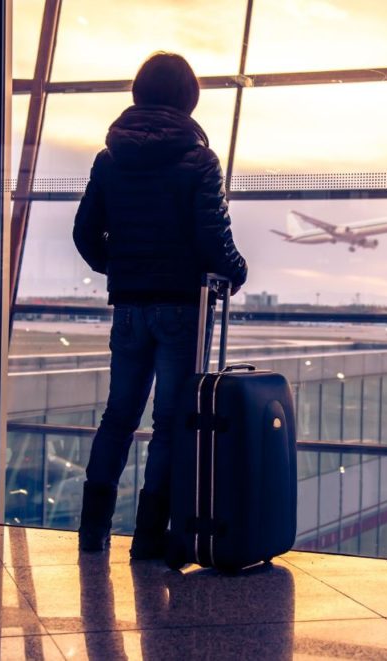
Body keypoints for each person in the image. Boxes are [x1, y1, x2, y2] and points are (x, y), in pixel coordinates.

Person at [73, 52, 248, 559]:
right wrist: (236, 270)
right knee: (170, 423)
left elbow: (85, 233)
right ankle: (149, 537)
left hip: (128, 306)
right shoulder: (199, 160)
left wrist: (121, 268)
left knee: (118, 417)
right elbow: (213, 237)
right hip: (179, 306)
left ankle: (92, 532)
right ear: (188, 98)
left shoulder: (109, 159)